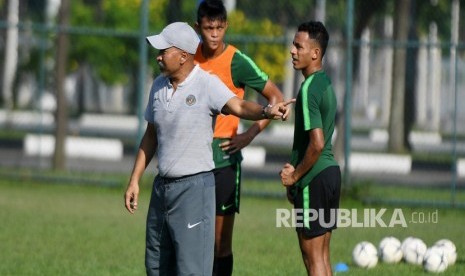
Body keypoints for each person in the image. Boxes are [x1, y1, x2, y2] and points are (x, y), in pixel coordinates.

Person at [124, 22, 293, 276]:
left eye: (163, 51)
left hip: (194, 190)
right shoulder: (158, 86)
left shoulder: (206, 84)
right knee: (157, 267)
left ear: (183, 56)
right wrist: (135, 179)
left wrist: (266, 110)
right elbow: (150, 136)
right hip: (161, 190)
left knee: (192, 271)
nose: (157, 57)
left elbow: (238, 106)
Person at [193, 1, 285, 275]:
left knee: (220, 244)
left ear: (226, 26)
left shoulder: (236, 61)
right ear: (198, 27)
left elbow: (276, 98)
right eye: (208, 28)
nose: (214, 34)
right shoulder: (187, 56)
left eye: (219, 28)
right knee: (192, 240)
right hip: (192, 159)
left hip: (224, 159)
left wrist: (249, 134)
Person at [279, 21, 341, 276]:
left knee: (312, 258)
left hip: (313, 180)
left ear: (315, 53)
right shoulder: (323, 82)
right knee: (322, 257)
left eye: (298, 46)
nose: (293, 51)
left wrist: (294, 176)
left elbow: (317, 143)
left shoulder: (308, 88)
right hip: (330, 175)